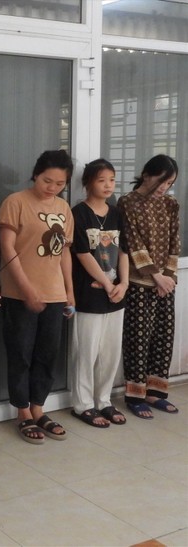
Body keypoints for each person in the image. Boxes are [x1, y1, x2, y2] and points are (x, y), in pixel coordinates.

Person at [0, 150, 74, 444]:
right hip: (19, 293)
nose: (52, 188)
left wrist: (69, 291)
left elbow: (64, 252)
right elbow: (7, 248)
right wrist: (27, 289)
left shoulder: (64, 208)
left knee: (47, 353)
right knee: (21, 353)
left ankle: (39, 408)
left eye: (59, 184)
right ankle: (23, 412)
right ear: (35, 174)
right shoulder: (15, 202)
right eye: (46, 180)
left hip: (54, 294)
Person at [117, 154, 180, 419]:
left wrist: (168, 277)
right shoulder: (127, 202)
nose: (164, 187)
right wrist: (156, 276)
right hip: (139, 282)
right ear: (146, 175)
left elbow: (175, 241)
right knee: (138, 339)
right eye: (162, 181)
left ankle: (156, 393)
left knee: (164, 337)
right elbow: (132, 242)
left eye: (170, 183)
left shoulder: (171, 204)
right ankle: (135, 395)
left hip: (166, 284)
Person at [70, 159, 129, 427]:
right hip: (90, 293)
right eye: (101, 180)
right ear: (88, 183)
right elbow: (82, 254)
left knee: (110, 352)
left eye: (112, 180)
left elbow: (124, 251)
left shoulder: (116, 214)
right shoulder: (79, 213)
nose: (108, 185)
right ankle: (83, 404)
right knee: (87, 350)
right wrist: (106, 283)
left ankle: (104, 401)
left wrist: (123, 283)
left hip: (116, 293)